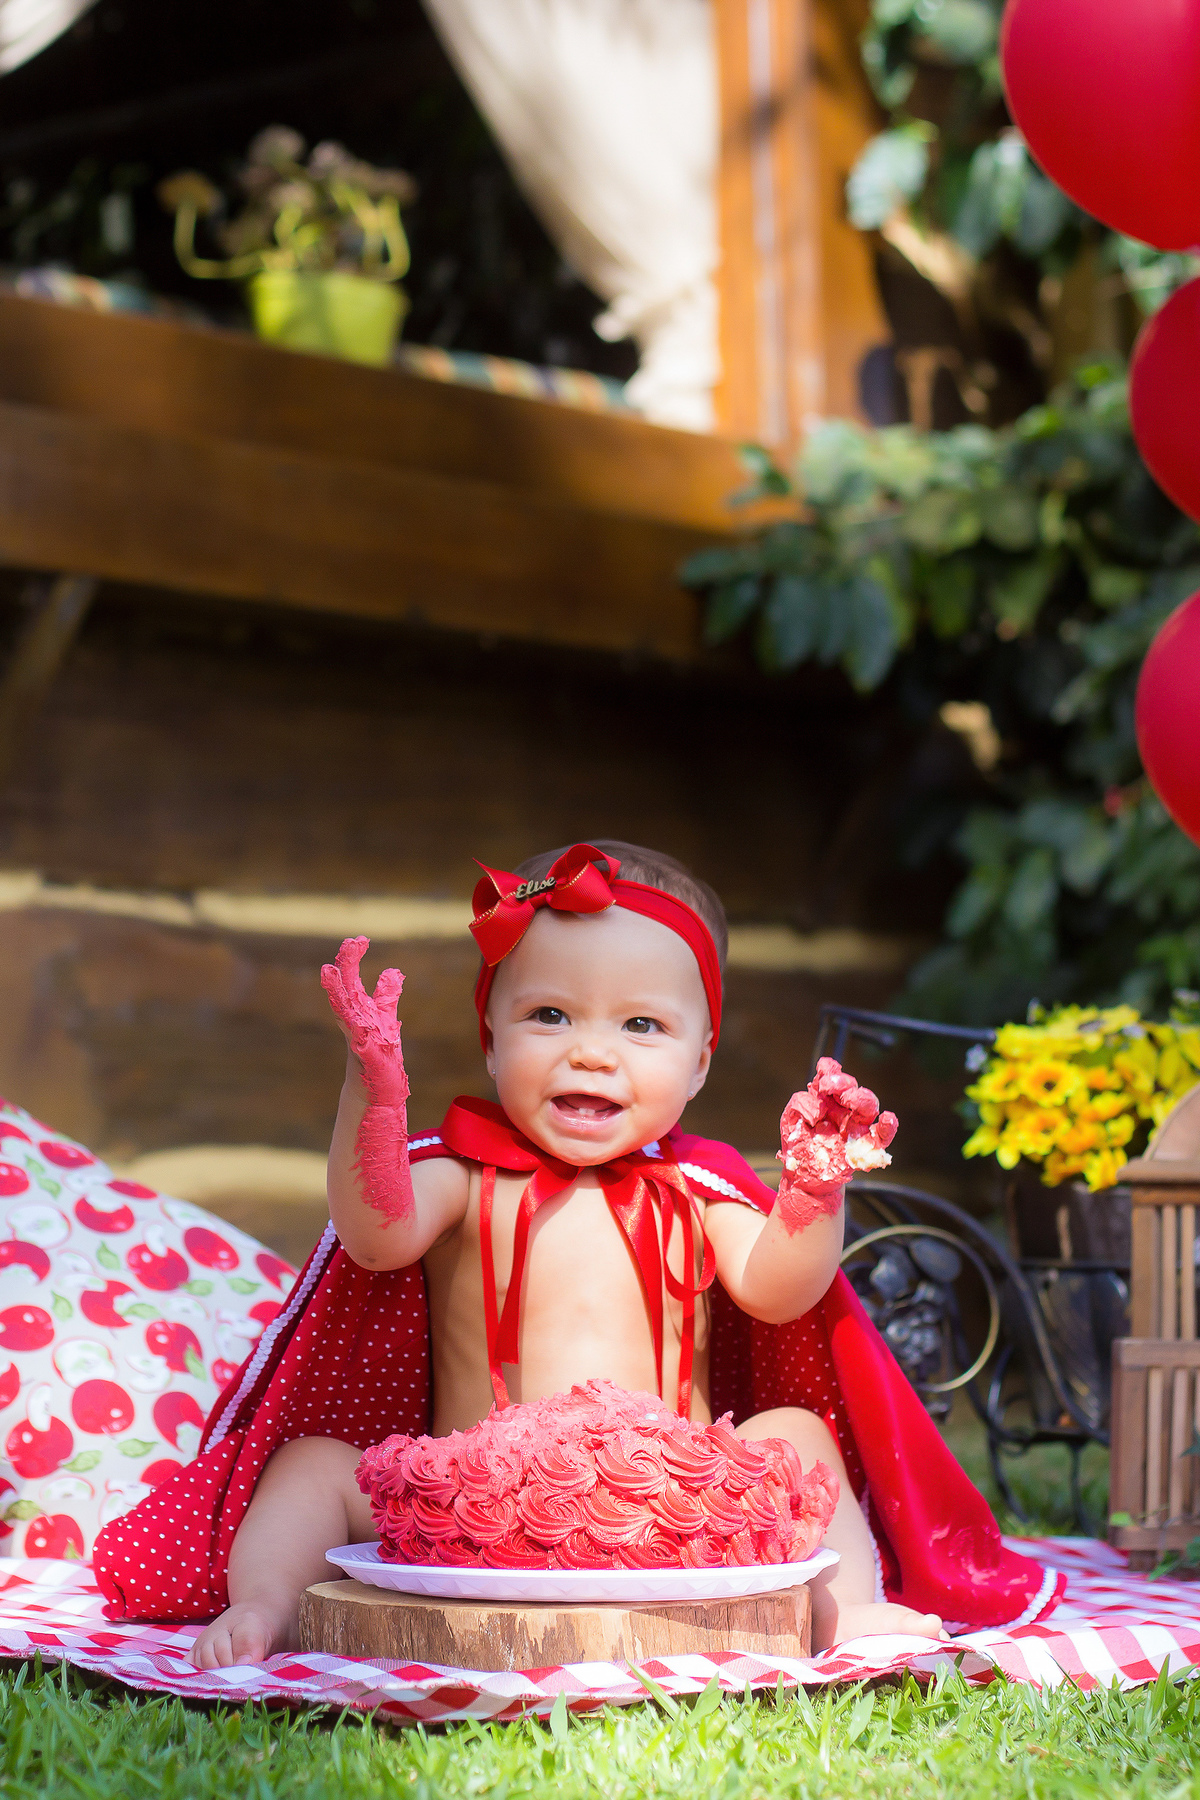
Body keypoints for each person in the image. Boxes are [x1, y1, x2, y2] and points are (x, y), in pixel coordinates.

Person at [93, 841, 1062, 1663]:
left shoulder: (699, 1187)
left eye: (641, 1025)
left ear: (702, 1060)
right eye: (549, 1016)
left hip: (670, 1508)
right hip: (470, 1507)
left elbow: (778, 1291)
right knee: (310, 1465)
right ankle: (262, 1606)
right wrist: (373, 1096)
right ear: (488, 1038)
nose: (590, 1052)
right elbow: (374, 1232)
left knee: (797, 1435)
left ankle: (846, 1612)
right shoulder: (463, 1174)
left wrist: (813, 1188)